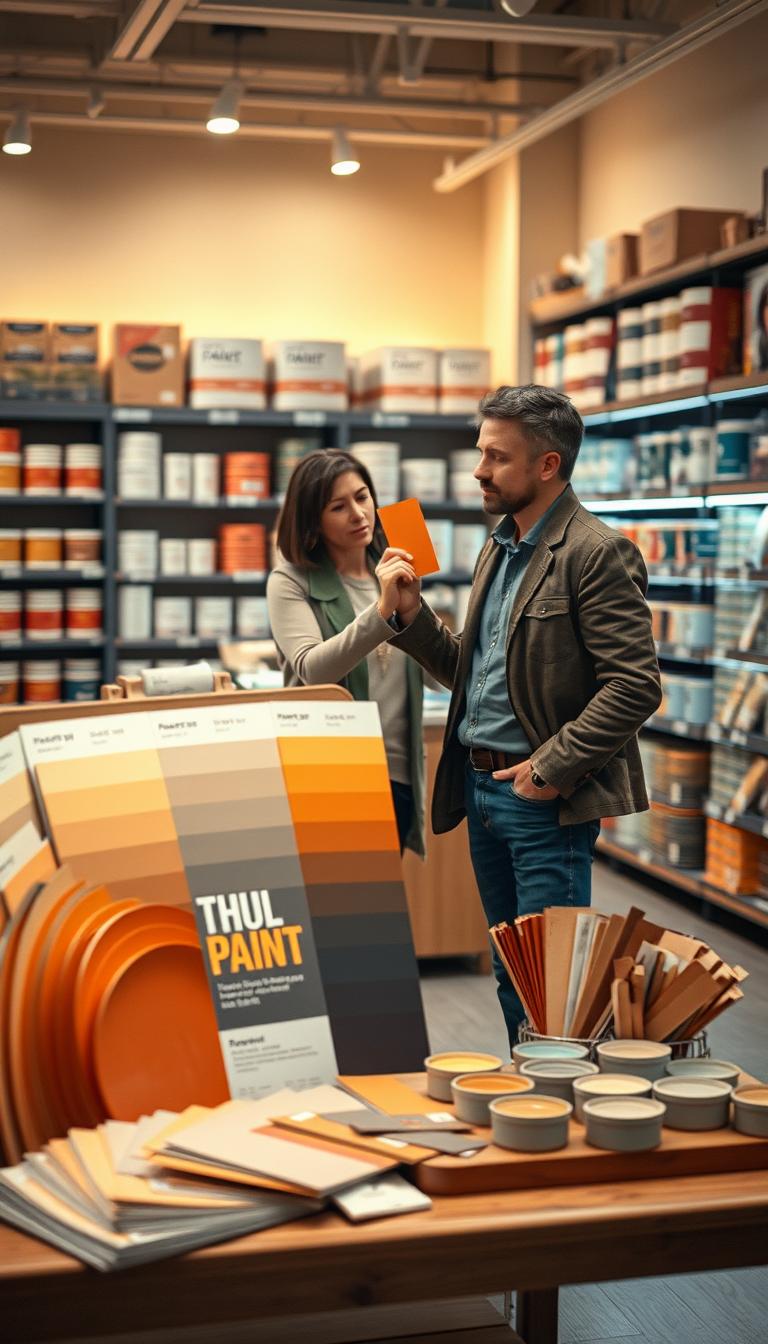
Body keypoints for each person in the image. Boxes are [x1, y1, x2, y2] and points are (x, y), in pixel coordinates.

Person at [386, 384, 662, 1045]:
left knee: (555, 983)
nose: (479, 470)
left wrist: (551, 768)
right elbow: (470, 676)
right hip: (483, 793)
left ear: (547, 465)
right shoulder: (501, 545)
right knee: (516, 975)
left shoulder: (596, 552)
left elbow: (634, 685)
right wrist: (409, 616)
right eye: (481, 454)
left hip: (541, 803)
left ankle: (561, 1115)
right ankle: (533, 1099)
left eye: (496, 457)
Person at [267, 448, 425, 856]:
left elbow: (434, 670)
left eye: (362, 496)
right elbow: (312, 669)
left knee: (378, 911)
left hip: (399, 778)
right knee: (331, 914)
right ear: (313, 520)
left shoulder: (395, 567)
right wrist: (383, 610)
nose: (358, 514)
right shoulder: (290, 580)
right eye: (339, 506)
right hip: (328, 781)